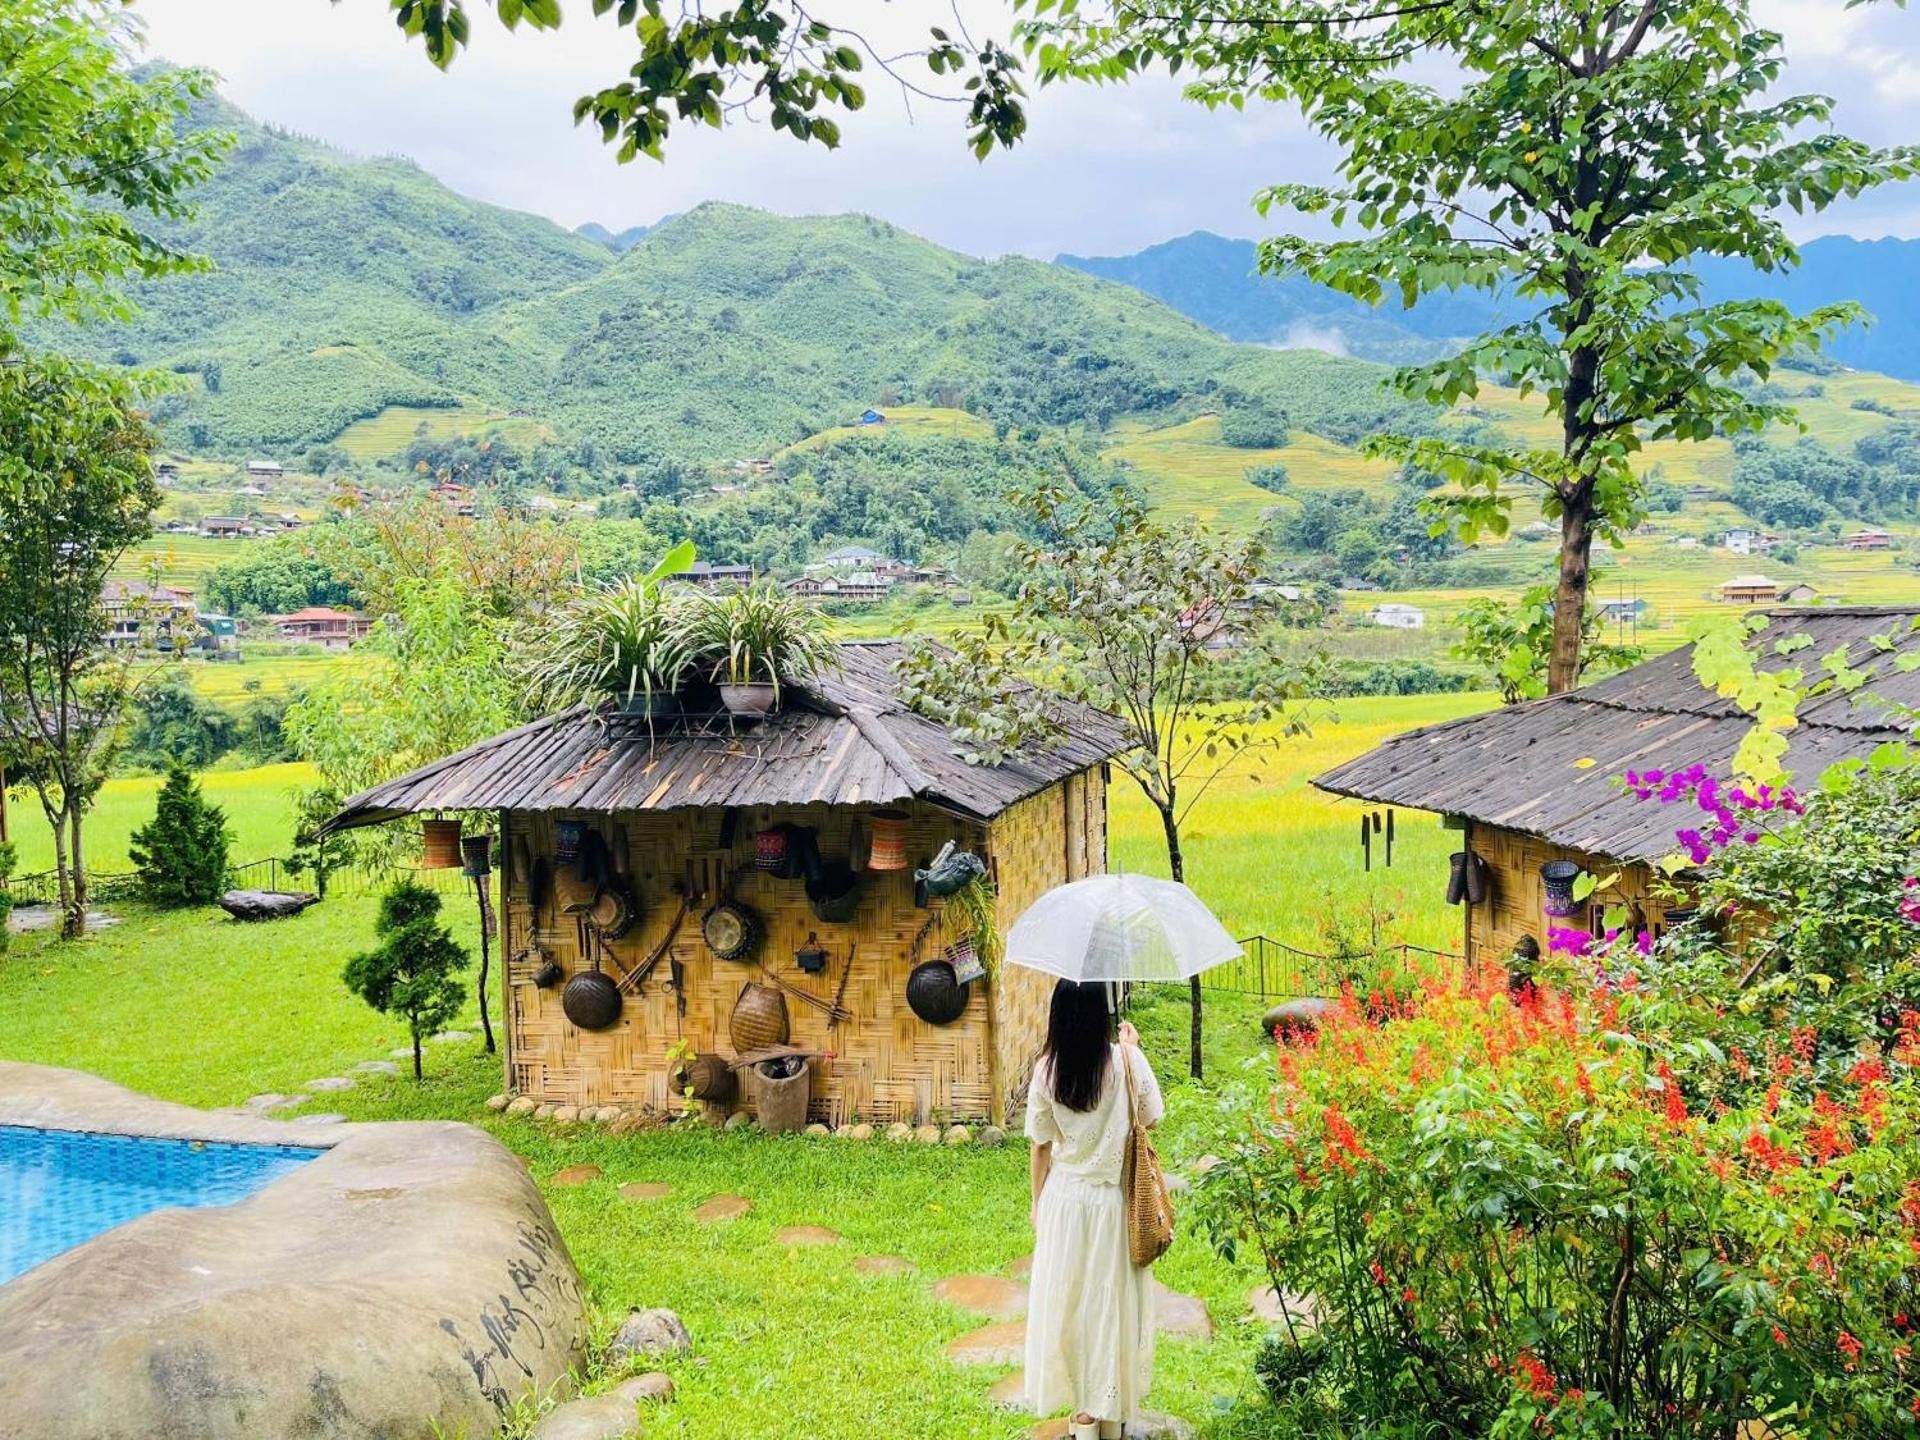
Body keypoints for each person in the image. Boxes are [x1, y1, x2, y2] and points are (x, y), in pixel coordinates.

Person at [1023, 979, 1165, 1440]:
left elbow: (1040, 1145)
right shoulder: (1126, 1061)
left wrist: (1036, 1205)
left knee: (1069, 1304)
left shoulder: (1046, 1070)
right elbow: (1150, 1119)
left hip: (1064, 1202)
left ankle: (1084, 1417)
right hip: (1113, 1205)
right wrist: (1132, 1051)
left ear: (1058, 1017)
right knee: (1110, 1305)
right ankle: (1107, 1415)